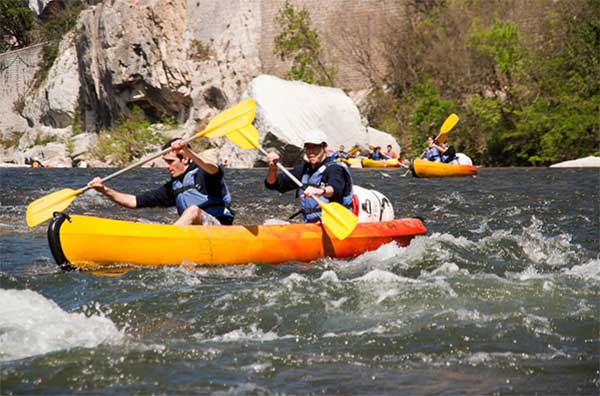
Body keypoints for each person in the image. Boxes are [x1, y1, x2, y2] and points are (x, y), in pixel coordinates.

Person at [87, 138, 234, 226]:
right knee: (142, 221)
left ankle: (170, 241)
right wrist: (104, 190)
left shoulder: (205, 174)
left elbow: (213, 168)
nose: (167, 167)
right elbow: (133, 202)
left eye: (171, 162)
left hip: (219, 228)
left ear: (185, 158)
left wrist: (187, 150)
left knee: (193, 211)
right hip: (195, 233)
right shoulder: (173, 187)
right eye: (165, 162)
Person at [264, 130, 354, 223]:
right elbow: (272, 184)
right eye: (307, 147)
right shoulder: (303, 169)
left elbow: (335, 189)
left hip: (334, 222)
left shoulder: (335, 168)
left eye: (315, 147)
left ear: (325, 147)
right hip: (311, 224)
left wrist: (320, 191)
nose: (311, 152)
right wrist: (273, 168)